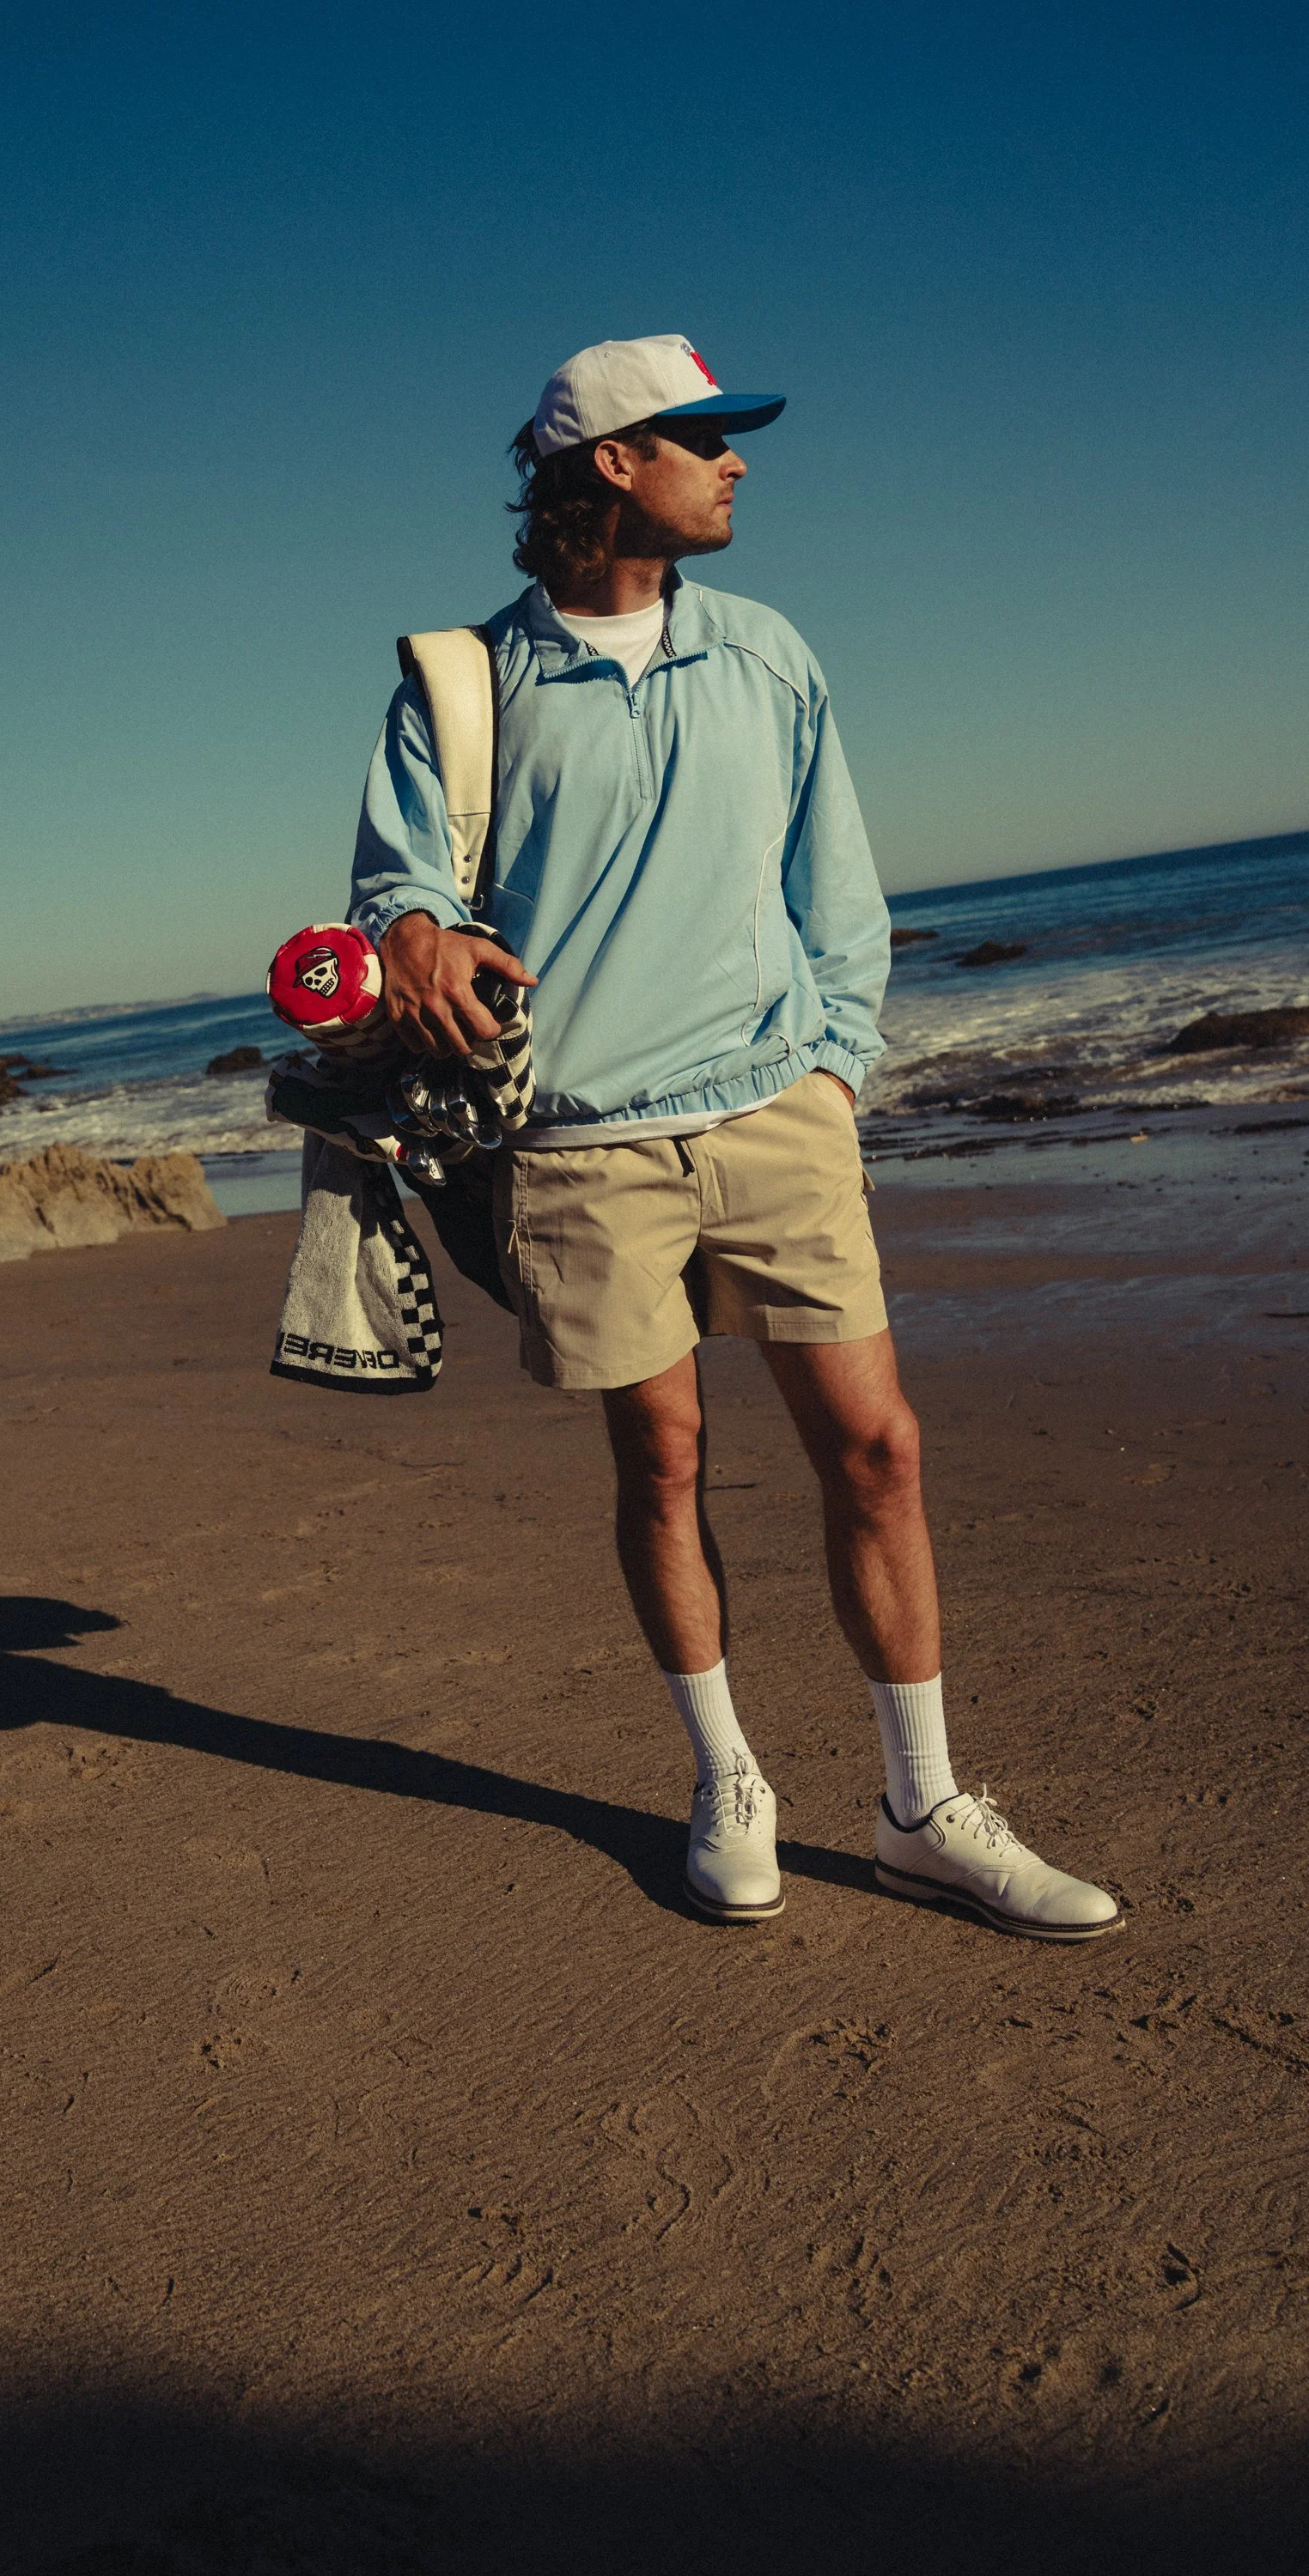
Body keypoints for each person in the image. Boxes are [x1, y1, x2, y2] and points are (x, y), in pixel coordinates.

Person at [348, 333, 1120, 1940]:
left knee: (881, 1449)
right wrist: (408, 927)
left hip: (775, 1116)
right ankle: (729, 1778)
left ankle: (923, 1806)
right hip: (579, 1147)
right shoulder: (463, 681)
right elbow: (398, 886)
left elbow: (840, 892)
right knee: (666, 1463)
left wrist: (835, 1074)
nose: (737, 461)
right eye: (704, 436)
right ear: (612, 463)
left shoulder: (770, 652)